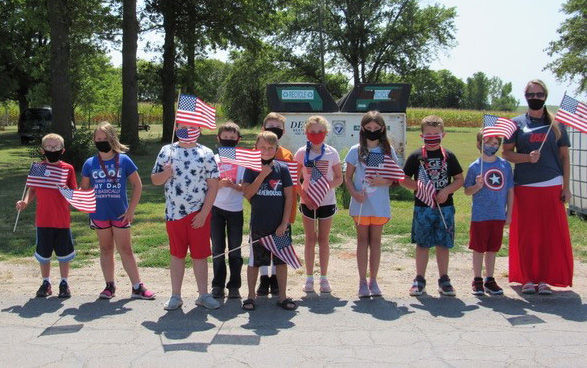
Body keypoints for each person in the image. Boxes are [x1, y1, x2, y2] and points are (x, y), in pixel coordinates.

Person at [502, 79, 573, 294]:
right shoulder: (515, 123)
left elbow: (565, 157)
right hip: (524, 187)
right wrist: (526, 157)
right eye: (531, 94)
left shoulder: (557, 124)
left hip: (552, 186)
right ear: (525, 96)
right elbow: (506, 153)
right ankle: (527, 279)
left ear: (546, 96)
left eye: (539, 94)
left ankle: (544, 279)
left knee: (549, 235)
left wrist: (566, 187)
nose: (535, 98)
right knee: (526, 235)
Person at [81, 122, 154, 300]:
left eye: (105, 138)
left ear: (112, 139)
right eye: (98, 139)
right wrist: (77, 197)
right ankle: (109, 286)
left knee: (125, 249)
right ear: (94, 140)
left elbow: (137, 185)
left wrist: (131, 210)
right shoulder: (89, 163)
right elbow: (84, 189)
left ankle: (137, 286)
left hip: (120, 213)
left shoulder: (123, 160)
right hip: (99, 214)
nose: (101, 141)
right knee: (105, 249)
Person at [151, 123, 220, 310]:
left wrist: (204, 213)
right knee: (177, 255)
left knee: (200, 256)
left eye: (191, 125)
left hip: (198, 214)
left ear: (198, 127)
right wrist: (165, 173)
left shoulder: (206, 153)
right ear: (177, 126)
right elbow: (155, 180)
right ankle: (175, 296)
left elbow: (214, 185)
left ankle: (203, 295)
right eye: (182, 125)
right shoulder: (167, 150)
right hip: (174, 215)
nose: (187, 128)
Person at [402, 115, 464, 297]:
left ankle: (444, 279)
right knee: (422, 244)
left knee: (442, 244)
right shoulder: (416, 156)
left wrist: (446, 191)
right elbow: (403, 179)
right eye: (428, 134)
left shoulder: (449, 156)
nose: (432, 137)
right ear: (421, 136)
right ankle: (419, 279)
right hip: (423, 207)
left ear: (443, 134)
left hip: (445, 208)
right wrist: (419, 187)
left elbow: (459, 179)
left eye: (436, 134)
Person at [344, 111, 399, 298]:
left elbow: (394, 178)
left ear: (382, 129)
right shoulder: (355, 150)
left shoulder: (387, 151)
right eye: (369, 128)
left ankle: (373, 280)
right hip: (360, 204)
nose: (373, 131)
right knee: (362, 241)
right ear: (363, 129)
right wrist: (354, 193)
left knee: (376, 242)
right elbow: (347, 177)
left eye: (376, 128)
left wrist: (381, 181)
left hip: (379, 204)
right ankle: (361, 281)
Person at [16, 133, 77, 298]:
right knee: (44, 255)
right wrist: (25, 202)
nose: (52, 150)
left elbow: (73, 191)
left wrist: (68, 193)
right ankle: (46, 282)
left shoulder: (68, 169)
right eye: (49, 147)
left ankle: (64, 282)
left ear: (62, 150)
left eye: (56, 147)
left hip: (62, 220)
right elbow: (33, 189)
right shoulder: (38, 168)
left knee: (64, 254)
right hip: (43, 220)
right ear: (43, 150)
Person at [241, 131, 296, 311]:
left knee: (280, 261)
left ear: (276, 149)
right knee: (255, 261)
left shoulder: (283, 168)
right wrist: (262, 176)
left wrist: (284, 223)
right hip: (259, 225)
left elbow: (289, 197)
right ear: (256, 147)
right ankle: (250, 296)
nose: (266, 150)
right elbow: (247, 194)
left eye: (270, 148)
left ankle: (282, 296)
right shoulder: (251, 168)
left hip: (279, 226)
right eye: (262, 147)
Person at [294, 115, 343, 293]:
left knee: (323, 240)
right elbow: (294, 179)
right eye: (312, 132)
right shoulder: (301, 152)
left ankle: (323, 277)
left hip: (326, 201)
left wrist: (326, 186)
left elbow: (339, 178)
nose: (316, 134)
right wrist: (305, 196)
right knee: (309, 239)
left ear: (326, 133)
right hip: (307, 201)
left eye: (320, 131)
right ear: (307, 133)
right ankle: (308, 277)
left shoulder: (332, 152)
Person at [464, 132, 513, 295]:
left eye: (495, 143)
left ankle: (489, 279)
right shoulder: (475, 167)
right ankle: (477, 279)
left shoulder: (505, 166)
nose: (492, 146)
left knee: (493, 248)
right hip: (480, 215)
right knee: (478, 248)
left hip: (498, 214)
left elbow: (510, 191)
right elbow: (467, 191)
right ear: (479, 144)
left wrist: (509, 213)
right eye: (488, 142)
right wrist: (477, 186)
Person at [256, 112, 299, 296]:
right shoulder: (255, 153)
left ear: (283, 131)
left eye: (277, 128)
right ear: (263, 129)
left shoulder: (287, 155)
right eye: (270, 126)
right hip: (263, 209)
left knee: (279, 246)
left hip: (282, 210)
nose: (274, 130)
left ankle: (275, 279)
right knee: (263, 245)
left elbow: (293, 186)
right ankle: (264, 277)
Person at [211, 122, 245, 299]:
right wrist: (218, 184)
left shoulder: (243, 161)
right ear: (218, 139)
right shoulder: (213, 159)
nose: (228, 140)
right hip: (215, 209)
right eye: (225, 138)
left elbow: (247, 187)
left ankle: (234, 286)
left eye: (232, 138)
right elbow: (206, 184)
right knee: (217, 249)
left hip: (235, 210)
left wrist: (236, 186)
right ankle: (217, 285)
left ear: (238, 140)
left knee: (235, 250)